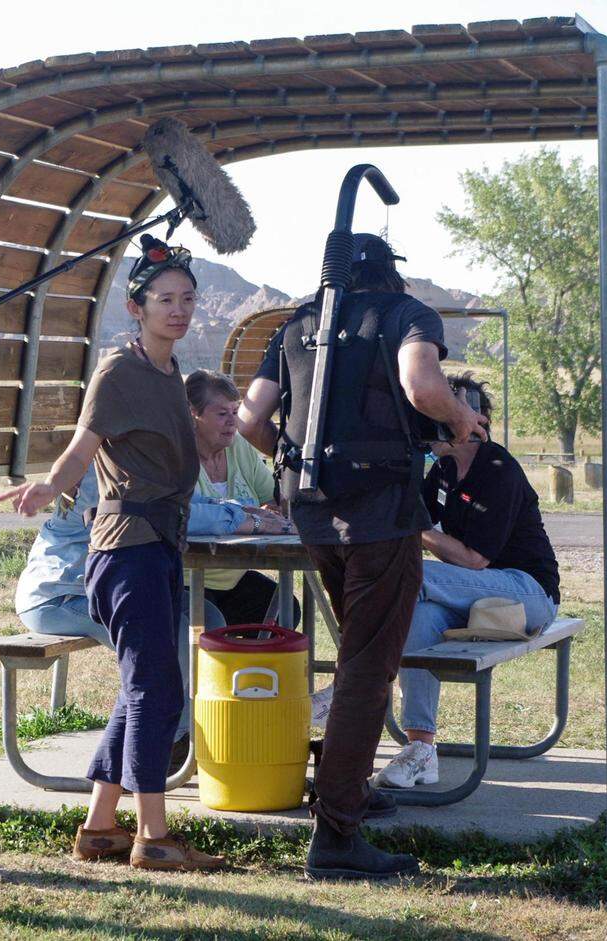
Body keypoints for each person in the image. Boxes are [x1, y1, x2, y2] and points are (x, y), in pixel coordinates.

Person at [238, 233, 487, 881]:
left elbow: (250, 416)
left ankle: (349, 787)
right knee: (368, 668)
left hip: (315, 513)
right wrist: (461, 420)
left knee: (359, 653)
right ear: (390, 274)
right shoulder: (407, 316)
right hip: (381, 513)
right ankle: (338, 831)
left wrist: (291, 462)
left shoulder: (299, 322)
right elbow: (422, 383)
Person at [0, 235, 224, 872]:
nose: (178, 310)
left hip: (156, 547)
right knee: (158, 690)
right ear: (138, 308)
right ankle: (153, 837)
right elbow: (82, 444)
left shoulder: (169, 371)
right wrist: (52, 484)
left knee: (139, 690)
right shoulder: (119, 369)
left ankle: (100, 827)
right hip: (125, 551)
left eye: (186, 299)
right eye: (164, 301)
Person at [376, 373, 560, 789]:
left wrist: (414, 527)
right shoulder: (441, 469)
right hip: (476, 591)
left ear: (473, 420)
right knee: (418, 614)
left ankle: (354, 682)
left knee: (410, 575)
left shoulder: (498, 468)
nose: (428, 422)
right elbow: (410, 516)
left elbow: (475, 559)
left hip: (527, 592)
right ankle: (421, 747)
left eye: (438, 412)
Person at [15, 462, 234, 770]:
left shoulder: (149, 456)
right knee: (168, 641)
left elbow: (187, 504)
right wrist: (239, 518)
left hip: (106, 588)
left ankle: (187, 733)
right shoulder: (107, 466)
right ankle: (168, 745)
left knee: (208, 620)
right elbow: (167, 516)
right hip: (58, 596)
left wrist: (246, 513)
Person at [185, 369, 298, 626]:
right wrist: (252, 517)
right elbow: (189, 516)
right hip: (187, 579)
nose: (232, 422)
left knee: (284, 610)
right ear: (194, 415)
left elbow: (274, 498)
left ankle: (252, 668)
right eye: (222, 414)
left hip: (231, 579)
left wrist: (272, 507)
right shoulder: (179, 457)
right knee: (209, 621)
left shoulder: (238, 447)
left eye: (235, 412)